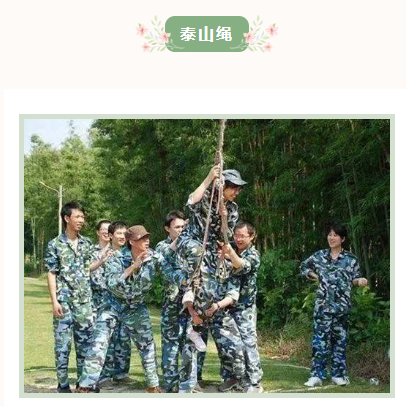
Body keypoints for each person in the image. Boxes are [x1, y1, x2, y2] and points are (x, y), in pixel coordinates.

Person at [76, 225, 186, 393]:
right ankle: (86, 386)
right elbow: (112, 283)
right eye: (142, 239)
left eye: (147, 237)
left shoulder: (153, 257)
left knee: (147, 347)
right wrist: (134, 266)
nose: (147, 241)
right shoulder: (116, 257)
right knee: (98, 344)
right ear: (132, 242)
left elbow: (170, 272)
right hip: (112, 305)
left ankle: (153, 386)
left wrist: (186, 281)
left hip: (135, 307)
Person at [175, 166, 248, 392]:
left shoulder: (232, 208)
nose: (236, 192)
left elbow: (226, 234)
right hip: (193, 243)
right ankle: (191, 295)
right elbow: (190, 201)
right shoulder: (206, 195)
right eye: (233, 188)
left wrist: (224, 217)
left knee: (210, 286)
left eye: (238, 189)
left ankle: (196, 310)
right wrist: (209, 177)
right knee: (197, 255)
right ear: (223, 186)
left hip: (210, 252)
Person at [300, 223, 368, 387]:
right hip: (323, 306)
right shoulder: (319, 256)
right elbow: (303, 266)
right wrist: (314, 275)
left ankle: (338, 375)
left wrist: (359, 281)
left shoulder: (351, 259)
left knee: (339, 342)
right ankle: (317, 375)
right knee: (320, 342)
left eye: (335, 235)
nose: (331, 238)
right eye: (330, 235)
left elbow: (354, 279)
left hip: (341, 307)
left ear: (342, 239)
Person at [45, 202, 96, 393]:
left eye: (82, 217)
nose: (81, 220)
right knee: (63, 346)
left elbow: (88, 268)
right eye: (78, 217)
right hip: (64, 303)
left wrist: (102, 259)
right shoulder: (55, 244)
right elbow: (52, 272)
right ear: (67, 218)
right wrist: (54, 301)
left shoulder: (87, 243)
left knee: (85, 345)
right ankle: (63, 384)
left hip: (84, 303)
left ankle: (83, 384)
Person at [156, 210, 201, 393]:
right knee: (170, 343)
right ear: (167, 229)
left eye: (183, 227)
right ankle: (169, 382)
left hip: (190, 304)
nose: (181, 230)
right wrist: (185, 280)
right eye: (177, 227)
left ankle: (189, 383)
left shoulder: (191, 246)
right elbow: (164, 267)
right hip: (171, 302)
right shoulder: (162, 247)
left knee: (189, 343)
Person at [219, 221, 263, 393]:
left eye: (242, 236)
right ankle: (232, 377)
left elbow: (241, 265)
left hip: (245, 308)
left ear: (252, 237)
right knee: (228, 344)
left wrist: (229, 253)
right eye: (236, 235)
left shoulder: (253, 255)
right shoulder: (231, 247)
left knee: (248, 343)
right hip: (226, 306)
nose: (238, 239)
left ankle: (255, 382)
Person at [96, 221, 133, 388]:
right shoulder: (105, 254)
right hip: (107, 303)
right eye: (119, 233)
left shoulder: (129, 254)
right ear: (111, 236)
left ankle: (121, 373)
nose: (122, 237)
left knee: (124, 339)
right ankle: (104, 376)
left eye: (125, 234)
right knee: (107, 340)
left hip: (125, 304)